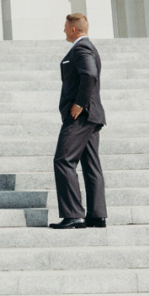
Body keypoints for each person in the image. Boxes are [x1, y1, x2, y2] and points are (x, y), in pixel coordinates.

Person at [51, 12, 107, 229]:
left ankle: (74, 214)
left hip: (81, 116)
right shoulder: (87, 47)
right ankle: (97, 215)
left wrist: (79, 103)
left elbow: (90, 74)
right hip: (91, 116)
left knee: (63, 160)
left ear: (74, 29)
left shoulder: (81, 48)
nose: (64, 30)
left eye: (65, 26)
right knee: (91, 165)